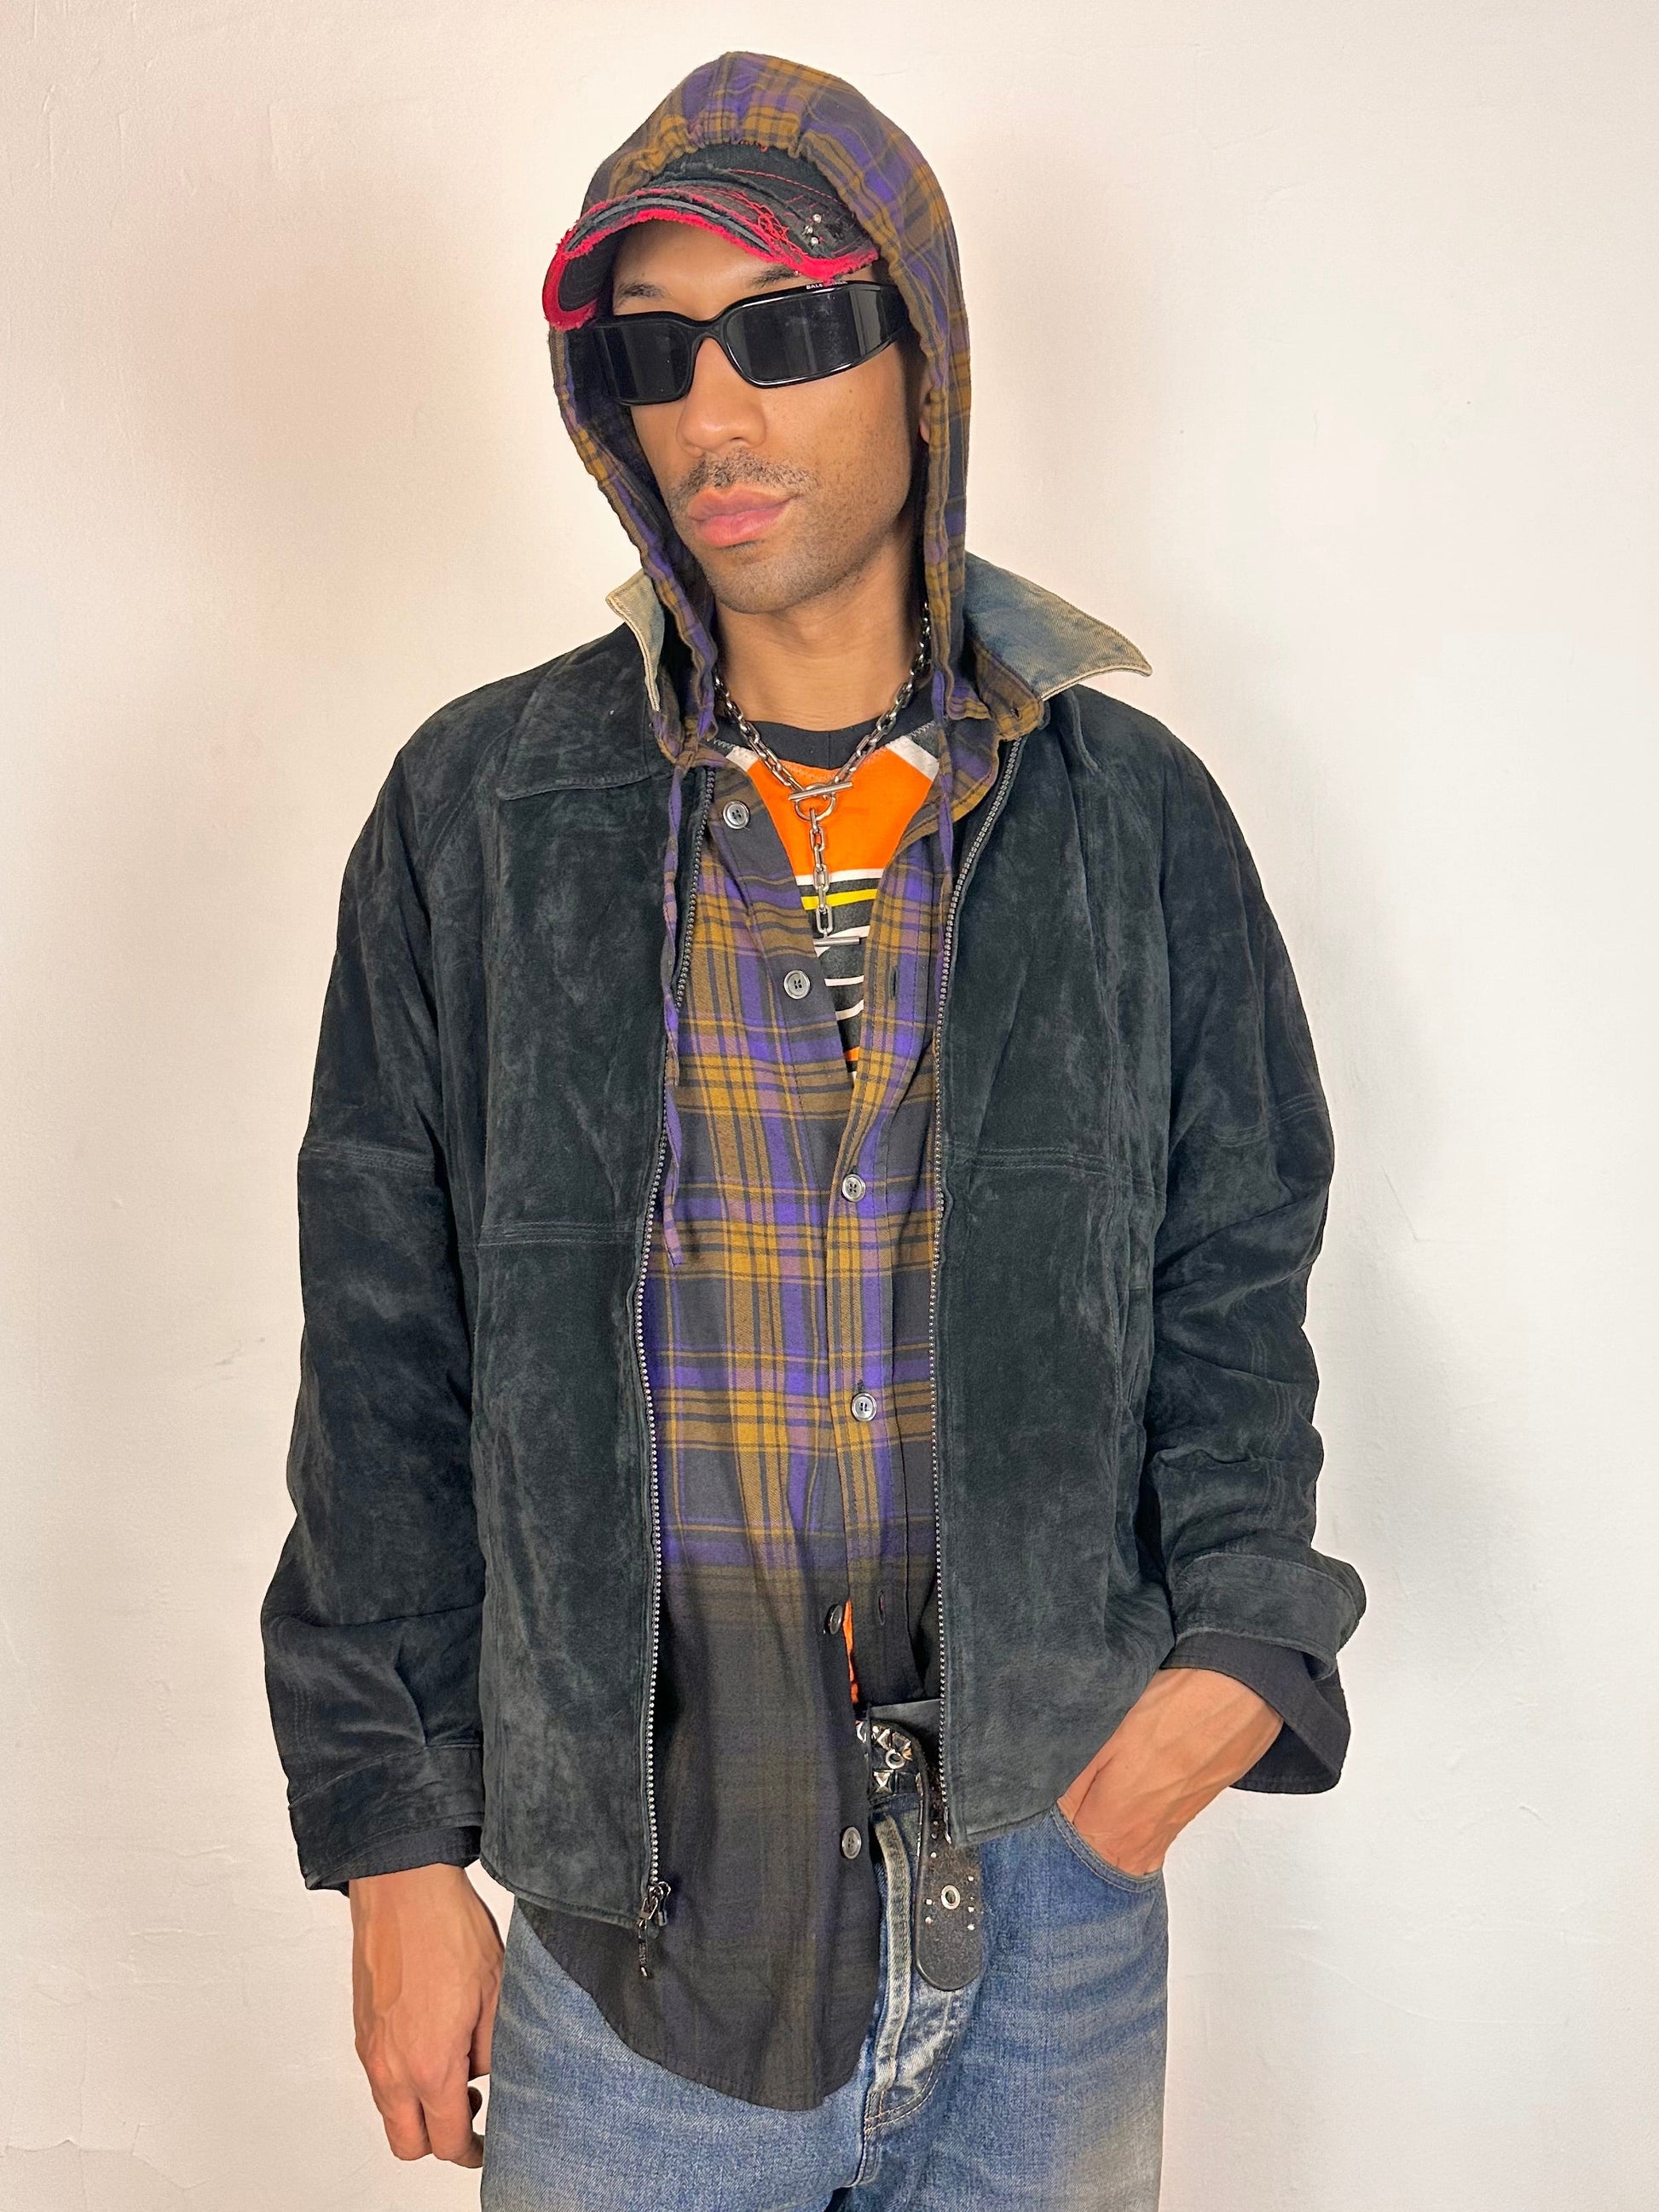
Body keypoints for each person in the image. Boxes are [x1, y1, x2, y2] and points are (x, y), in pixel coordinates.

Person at [261, 48, 1366, 2212]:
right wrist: (395, 1840)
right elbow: (381, 1351)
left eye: (781, 331)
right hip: (641, 1932)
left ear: (920, 355)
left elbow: (1235, 1258)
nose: (713, 414)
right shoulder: (485, 814)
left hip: (1053, 1902)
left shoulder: (1124, 818)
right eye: (653, 353)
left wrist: (1239, 1646)